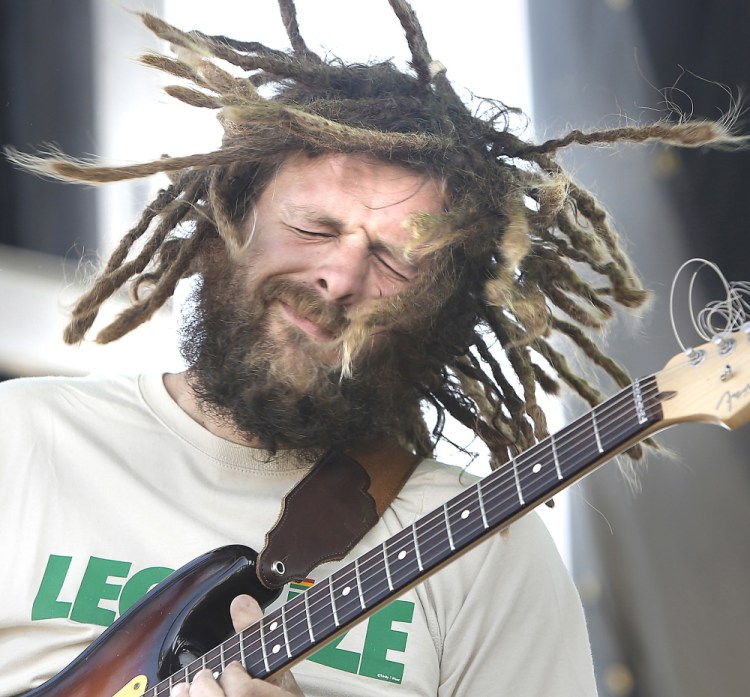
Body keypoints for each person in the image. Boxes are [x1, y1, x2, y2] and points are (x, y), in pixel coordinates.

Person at [1, 1, 741, 696]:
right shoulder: (23, 441)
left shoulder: (484, 552)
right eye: (317, 228)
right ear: (229, 217)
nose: (340, 276)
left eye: (395, 262)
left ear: (442, 315)